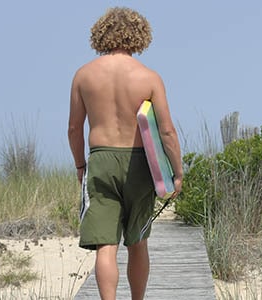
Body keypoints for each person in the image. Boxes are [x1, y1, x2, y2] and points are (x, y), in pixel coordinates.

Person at [67, 7, 183, 300]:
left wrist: (80, 166)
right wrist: (177, 172)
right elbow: (167, 132)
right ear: (139, 35)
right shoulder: (149, 77)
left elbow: (73, 129)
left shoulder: (83, 75)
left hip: (101, 160)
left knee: (106, 245)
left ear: (101, 34)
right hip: (139, 163)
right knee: (138, 241)